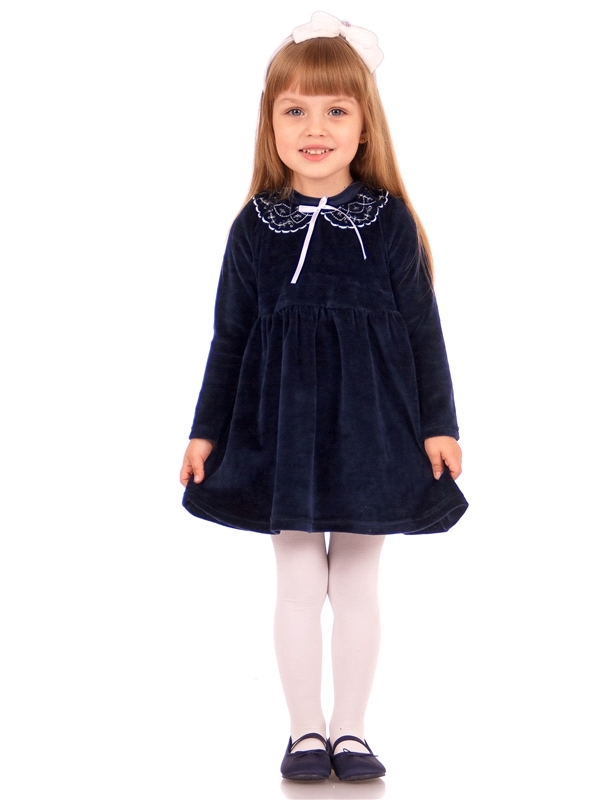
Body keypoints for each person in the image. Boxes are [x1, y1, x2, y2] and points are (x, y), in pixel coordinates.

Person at [179, 11, 468, 783]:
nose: (315, 128)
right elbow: (230, 336)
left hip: (374, 427)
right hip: (284, 429)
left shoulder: (390, 223)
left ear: (364, 125)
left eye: (336, 110)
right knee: (300, 581)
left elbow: (422, 329)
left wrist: (438, 425)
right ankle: (304, 732)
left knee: (359, 582)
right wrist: (205, 432)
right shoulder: (254, 228)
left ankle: (351, 732)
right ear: (269, 122)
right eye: (295, 110)